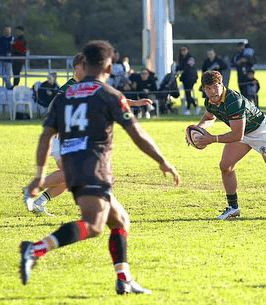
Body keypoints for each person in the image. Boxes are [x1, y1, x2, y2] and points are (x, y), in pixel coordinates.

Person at [20, 40, 180, 294]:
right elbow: (137, 133)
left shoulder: (65, 96)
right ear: (108, 65)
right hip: (93, 166)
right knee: (93, 225)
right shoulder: (108, 94)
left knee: (119, 221)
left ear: (86, 64)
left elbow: (45, 136)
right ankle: (35, 249)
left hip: (73, 165)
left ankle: (124, 278)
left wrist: (40, 174)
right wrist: (162, 161)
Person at [189, 70, 266, 219]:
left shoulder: (233, 100)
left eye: (215, 87)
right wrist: (197, 131)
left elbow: (237, 135)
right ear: (204, 88)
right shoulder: (210, 101)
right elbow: (209, 117)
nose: (212, 92)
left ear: (222, 84)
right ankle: (233, 207)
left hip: (261, 131)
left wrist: (212, 139)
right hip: (243, 132)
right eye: (208, 88)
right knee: (225, 166)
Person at [23, 53, 86, 216]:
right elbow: (53, 106)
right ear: (77, 68)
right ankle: (31, 189)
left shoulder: (84, 87)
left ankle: (40, 202)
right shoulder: (70, 86)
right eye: (86, 67)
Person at [177, 46, 198, 115]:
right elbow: (179, 67)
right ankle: (195, 106)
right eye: (182, 50)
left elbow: (188, 66)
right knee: (187, 93)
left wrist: (181, 71)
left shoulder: (191, 58)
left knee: (188, 92)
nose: (183, 52)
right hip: (184, 78)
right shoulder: (181, 59)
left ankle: (188, 108)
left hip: (191, 77)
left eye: (184, 50)